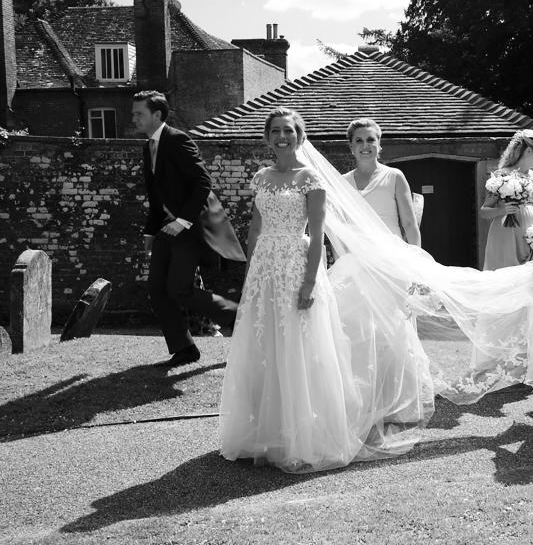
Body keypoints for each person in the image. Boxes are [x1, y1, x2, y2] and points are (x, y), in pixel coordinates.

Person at [219, 108, 433, 473]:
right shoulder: (278, 178)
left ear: (300, 137)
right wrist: (253, 273)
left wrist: (415, 265)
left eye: (289, 131)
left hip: (380, 263)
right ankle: (268, 429)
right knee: (273, 344)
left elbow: (399, 227)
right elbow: (263, 229)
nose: (282, 136)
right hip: (288, 269)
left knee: (387, 334)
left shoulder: (366, 177)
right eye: (275, 131)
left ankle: (389, 404)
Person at [132, 90, 245, 368]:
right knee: (157, 287)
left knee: (179, 288)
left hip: (190, 228)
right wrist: (150, 233)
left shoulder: (178, 140)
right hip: (164, 230)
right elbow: (156, 195)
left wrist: (182, 221)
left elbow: (202, 183)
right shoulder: (149, 146)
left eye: (139, 114)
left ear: (157, 115)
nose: (133, 118)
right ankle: (184, 348)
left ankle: (240, 317)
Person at [343, 119, 421, 246]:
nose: (365, 145)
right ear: (351, 147)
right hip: (357, 256)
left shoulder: (395, 176)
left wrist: (418, 258)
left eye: (370, 140)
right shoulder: (343, 182)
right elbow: (341, 228)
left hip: (391, 254)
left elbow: (409, 223)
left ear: (379, 144)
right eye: (359, 141)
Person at [481, 129, 533, 270]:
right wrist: (502, 210)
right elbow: (484, 211)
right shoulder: (502, 175)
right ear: (528, 150)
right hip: (507, 237)